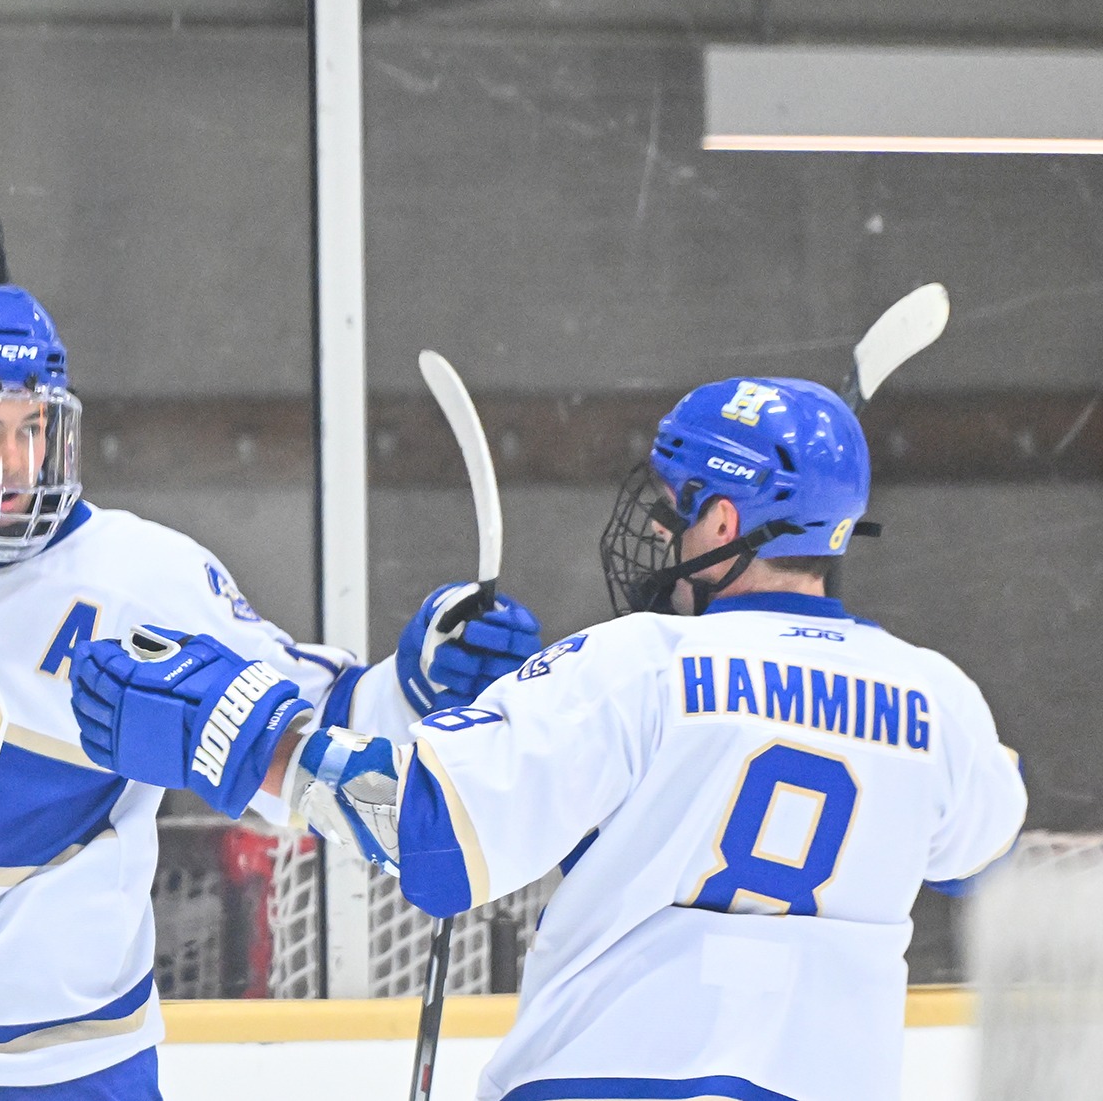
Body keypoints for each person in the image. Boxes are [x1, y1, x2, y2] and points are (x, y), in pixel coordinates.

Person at [69, 376, 1029, 1101]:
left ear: (722, 520)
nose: (658, 528)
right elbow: (980, 858)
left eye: (675, 506)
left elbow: (427, 831)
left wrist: (240, 737)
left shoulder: (639, 666)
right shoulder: (938, 701)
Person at [0, 280, 542, 1097]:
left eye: (33, 427)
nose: (13, 465)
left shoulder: (138, 581)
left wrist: (421, 681)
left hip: (56, 1063)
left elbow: (323, 725)